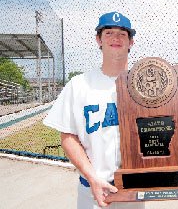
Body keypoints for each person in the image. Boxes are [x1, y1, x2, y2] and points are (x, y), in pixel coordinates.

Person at [43, 12, 144, 209]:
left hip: (134, 191)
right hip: (93, 190)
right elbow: (68, 136)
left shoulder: (144, 87)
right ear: (98, 40)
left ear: (131, 42)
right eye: (109, 33)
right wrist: (92, 177)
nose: (116, 38)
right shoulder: (78, 85)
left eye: (123, 34)